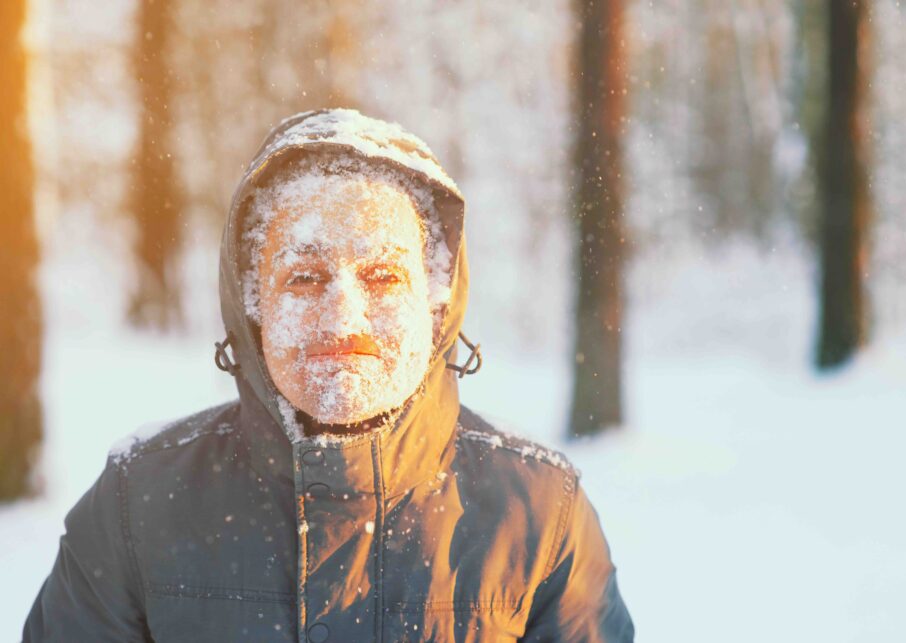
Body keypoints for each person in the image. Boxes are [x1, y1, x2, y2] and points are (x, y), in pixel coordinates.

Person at [23, 108, 634, 642]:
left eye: (384, 278)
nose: (342, 317)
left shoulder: (538, 513)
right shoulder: (138, 504)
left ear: (438, 302)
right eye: (305, 278)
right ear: (252, 307)